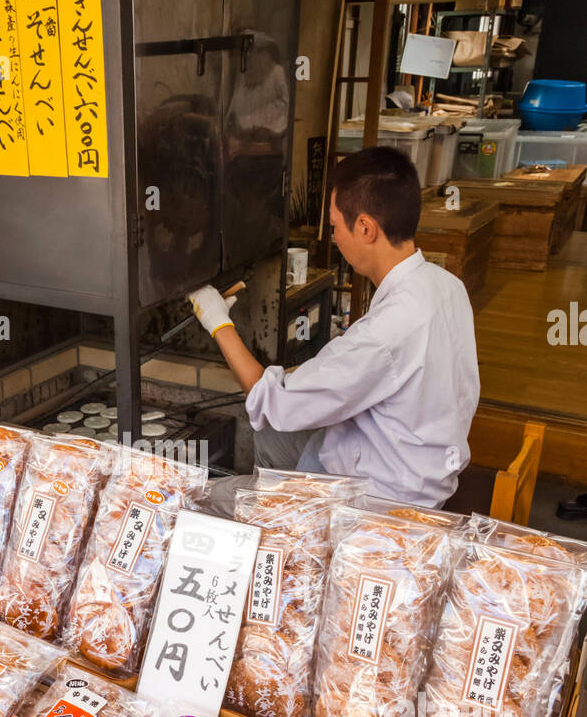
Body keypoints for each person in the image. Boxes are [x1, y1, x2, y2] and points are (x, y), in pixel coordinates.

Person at [189, 145, 480, 508]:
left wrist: (218, 322)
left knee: (206, 498)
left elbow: (272, 402)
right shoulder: (445, 283)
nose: (335, 238)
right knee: (269, 439)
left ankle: (278, 520)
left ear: (365, 228)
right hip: (421, 462)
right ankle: (279, 513)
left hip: (380, 497)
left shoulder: (385, 332)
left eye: (334, 226)